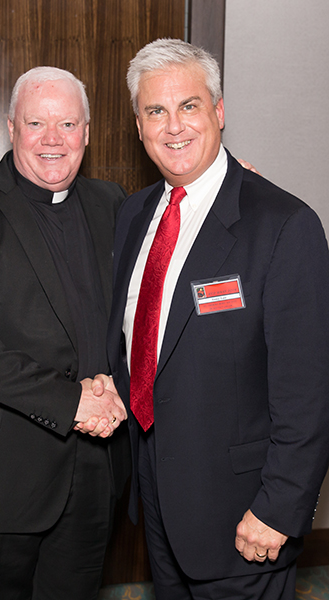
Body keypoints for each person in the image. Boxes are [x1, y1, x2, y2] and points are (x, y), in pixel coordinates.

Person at [102, 38, 329, 599]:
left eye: (190, 106)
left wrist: (280, 507)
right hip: (156, 497)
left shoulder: (283, 224)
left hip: (244, 516)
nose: (173, 126)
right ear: (138, 125)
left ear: (220, 112)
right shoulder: (134, 214)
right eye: (156, 110)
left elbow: (308, 390)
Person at [0, 66, 131, 600]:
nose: (52, 139)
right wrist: (70, 402)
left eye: (67, 124)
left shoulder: (114, 204)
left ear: (87, 132)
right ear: (11, 128)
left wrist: (230, 189)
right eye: (36, 123)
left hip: (93, 472)